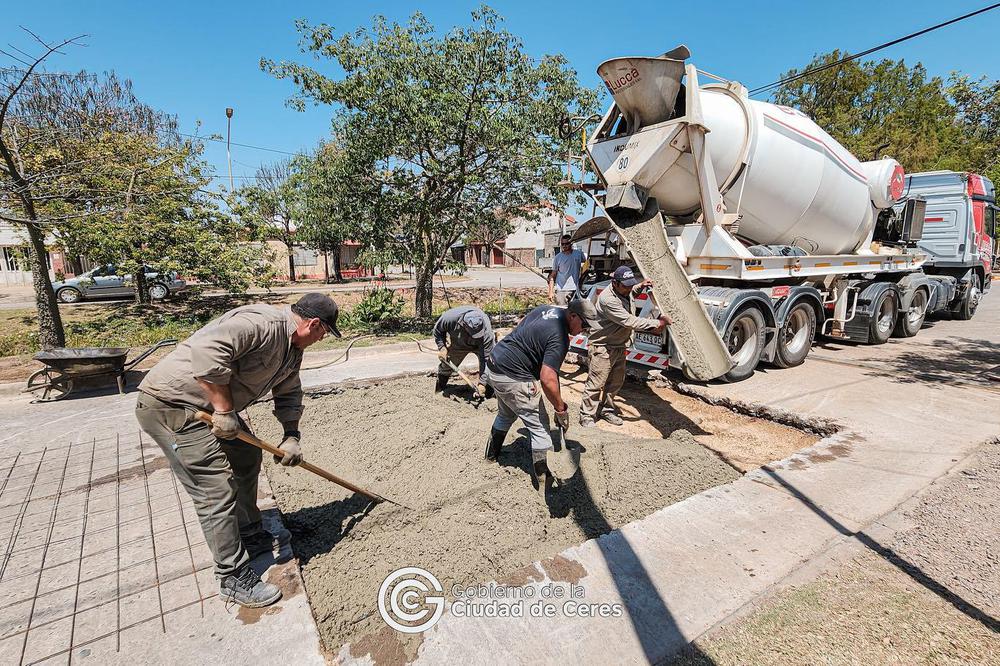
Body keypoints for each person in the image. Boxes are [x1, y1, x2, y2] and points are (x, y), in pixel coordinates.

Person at [134, 293, 341, 608]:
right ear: (313, 324)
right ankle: (232, 577)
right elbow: (206, 352)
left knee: (247, 457)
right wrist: (224, 409)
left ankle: (249, 532)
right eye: (324, 333)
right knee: (215, 490)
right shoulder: (260, 323)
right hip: (174, 406)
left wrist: (291, 434)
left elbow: (289, 391)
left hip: (213, 411)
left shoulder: (292, 350)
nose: (321, 339)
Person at [482, 299, 602, 482]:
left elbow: (523, 326)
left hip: (495, 365)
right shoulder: (560, 338)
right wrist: (560, 408)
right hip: (514, 377)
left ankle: (490, 457)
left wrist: (558, 402)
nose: (584, 332)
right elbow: (547, 379)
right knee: (540, 428)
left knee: (506, 414)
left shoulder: (547, 310)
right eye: (584, 325)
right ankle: (545, 480)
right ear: (573, 316)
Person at [580, 266, 669, 427]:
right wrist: (658, 322)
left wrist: (640, 286)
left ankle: (607, 410)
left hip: (619, 345)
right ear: (615, 283)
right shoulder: (608, 300)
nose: (629, 288)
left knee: (615, 383)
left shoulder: (624, 291)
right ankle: (587, 415)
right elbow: (629, 321)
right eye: (625, 285)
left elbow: (631, 294)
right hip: (603, 347)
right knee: (596, 383)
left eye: (630, 285)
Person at [433, 305, 495, 396]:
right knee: (447, 365)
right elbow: (438, 331)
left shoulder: (487, 333)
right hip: (459, 343)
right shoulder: (449, 318)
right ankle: (440, 388)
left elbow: (487, 360)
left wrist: (482, 383)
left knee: (490, 370)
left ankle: (487, 393)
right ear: (463, 324)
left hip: (480, 344)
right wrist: (442, 348)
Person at [548, 234, 587, 306]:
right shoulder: (558, 257)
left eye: (567, 243)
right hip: (562, 290)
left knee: (574, 313)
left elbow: (587, 263)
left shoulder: (578, 254)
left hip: (576, 289)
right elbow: (552, 276)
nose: (564, 246)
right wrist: (550, 292)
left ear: (571, 243)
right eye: (562, 244)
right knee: (562, 311)